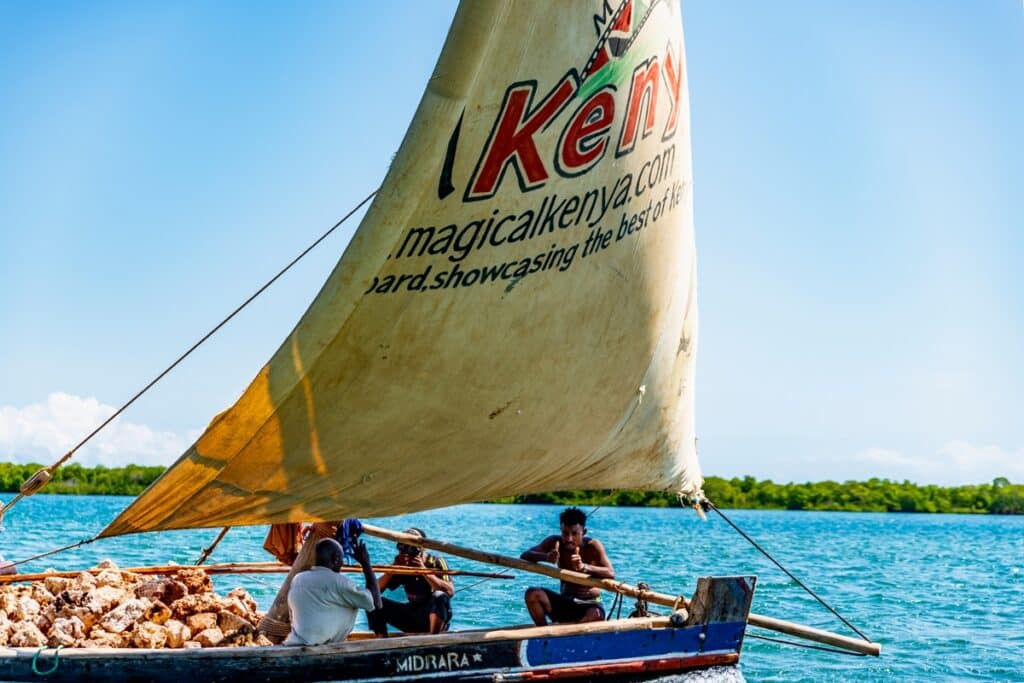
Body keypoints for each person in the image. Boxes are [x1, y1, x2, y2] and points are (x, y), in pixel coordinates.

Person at [520, 506, 614, 625]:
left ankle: (564, 628)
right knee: (532, 594)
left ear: (583, 532)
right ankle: (544, 632)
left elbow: (611, 573)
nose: (569, 539)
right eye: (565, 533)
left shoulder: (593, 546)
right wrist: (546, 557)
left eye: (574, 534)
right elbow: (525, 555)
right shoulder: (554, 542)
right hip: (566, 601)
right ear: (560, 530)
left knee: (596, 614)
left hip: (591, 603)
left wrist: (584, 567)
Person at [283, 538, 382, 646]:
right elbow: (376, 603)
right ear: (335, 558)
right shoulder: (339, 582)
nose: (342, 563)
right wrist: (366, 563)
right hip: (321, 648)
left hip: (294, 643)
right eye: (341, 559)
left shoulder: (298, 578)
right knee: (356, 601)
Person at [369, 528, 454, 635]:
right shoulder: (403, 565)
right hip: (412, 615)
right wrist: (392, 570)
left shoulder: (436, 562)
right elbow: (374, 591)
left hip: (432, 618)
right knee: (371, 600)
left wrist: (424, 571)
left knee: (439, 596)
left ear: (422, 549)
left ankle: (433, 638)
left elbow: (449, 591)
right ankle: (382, 641)